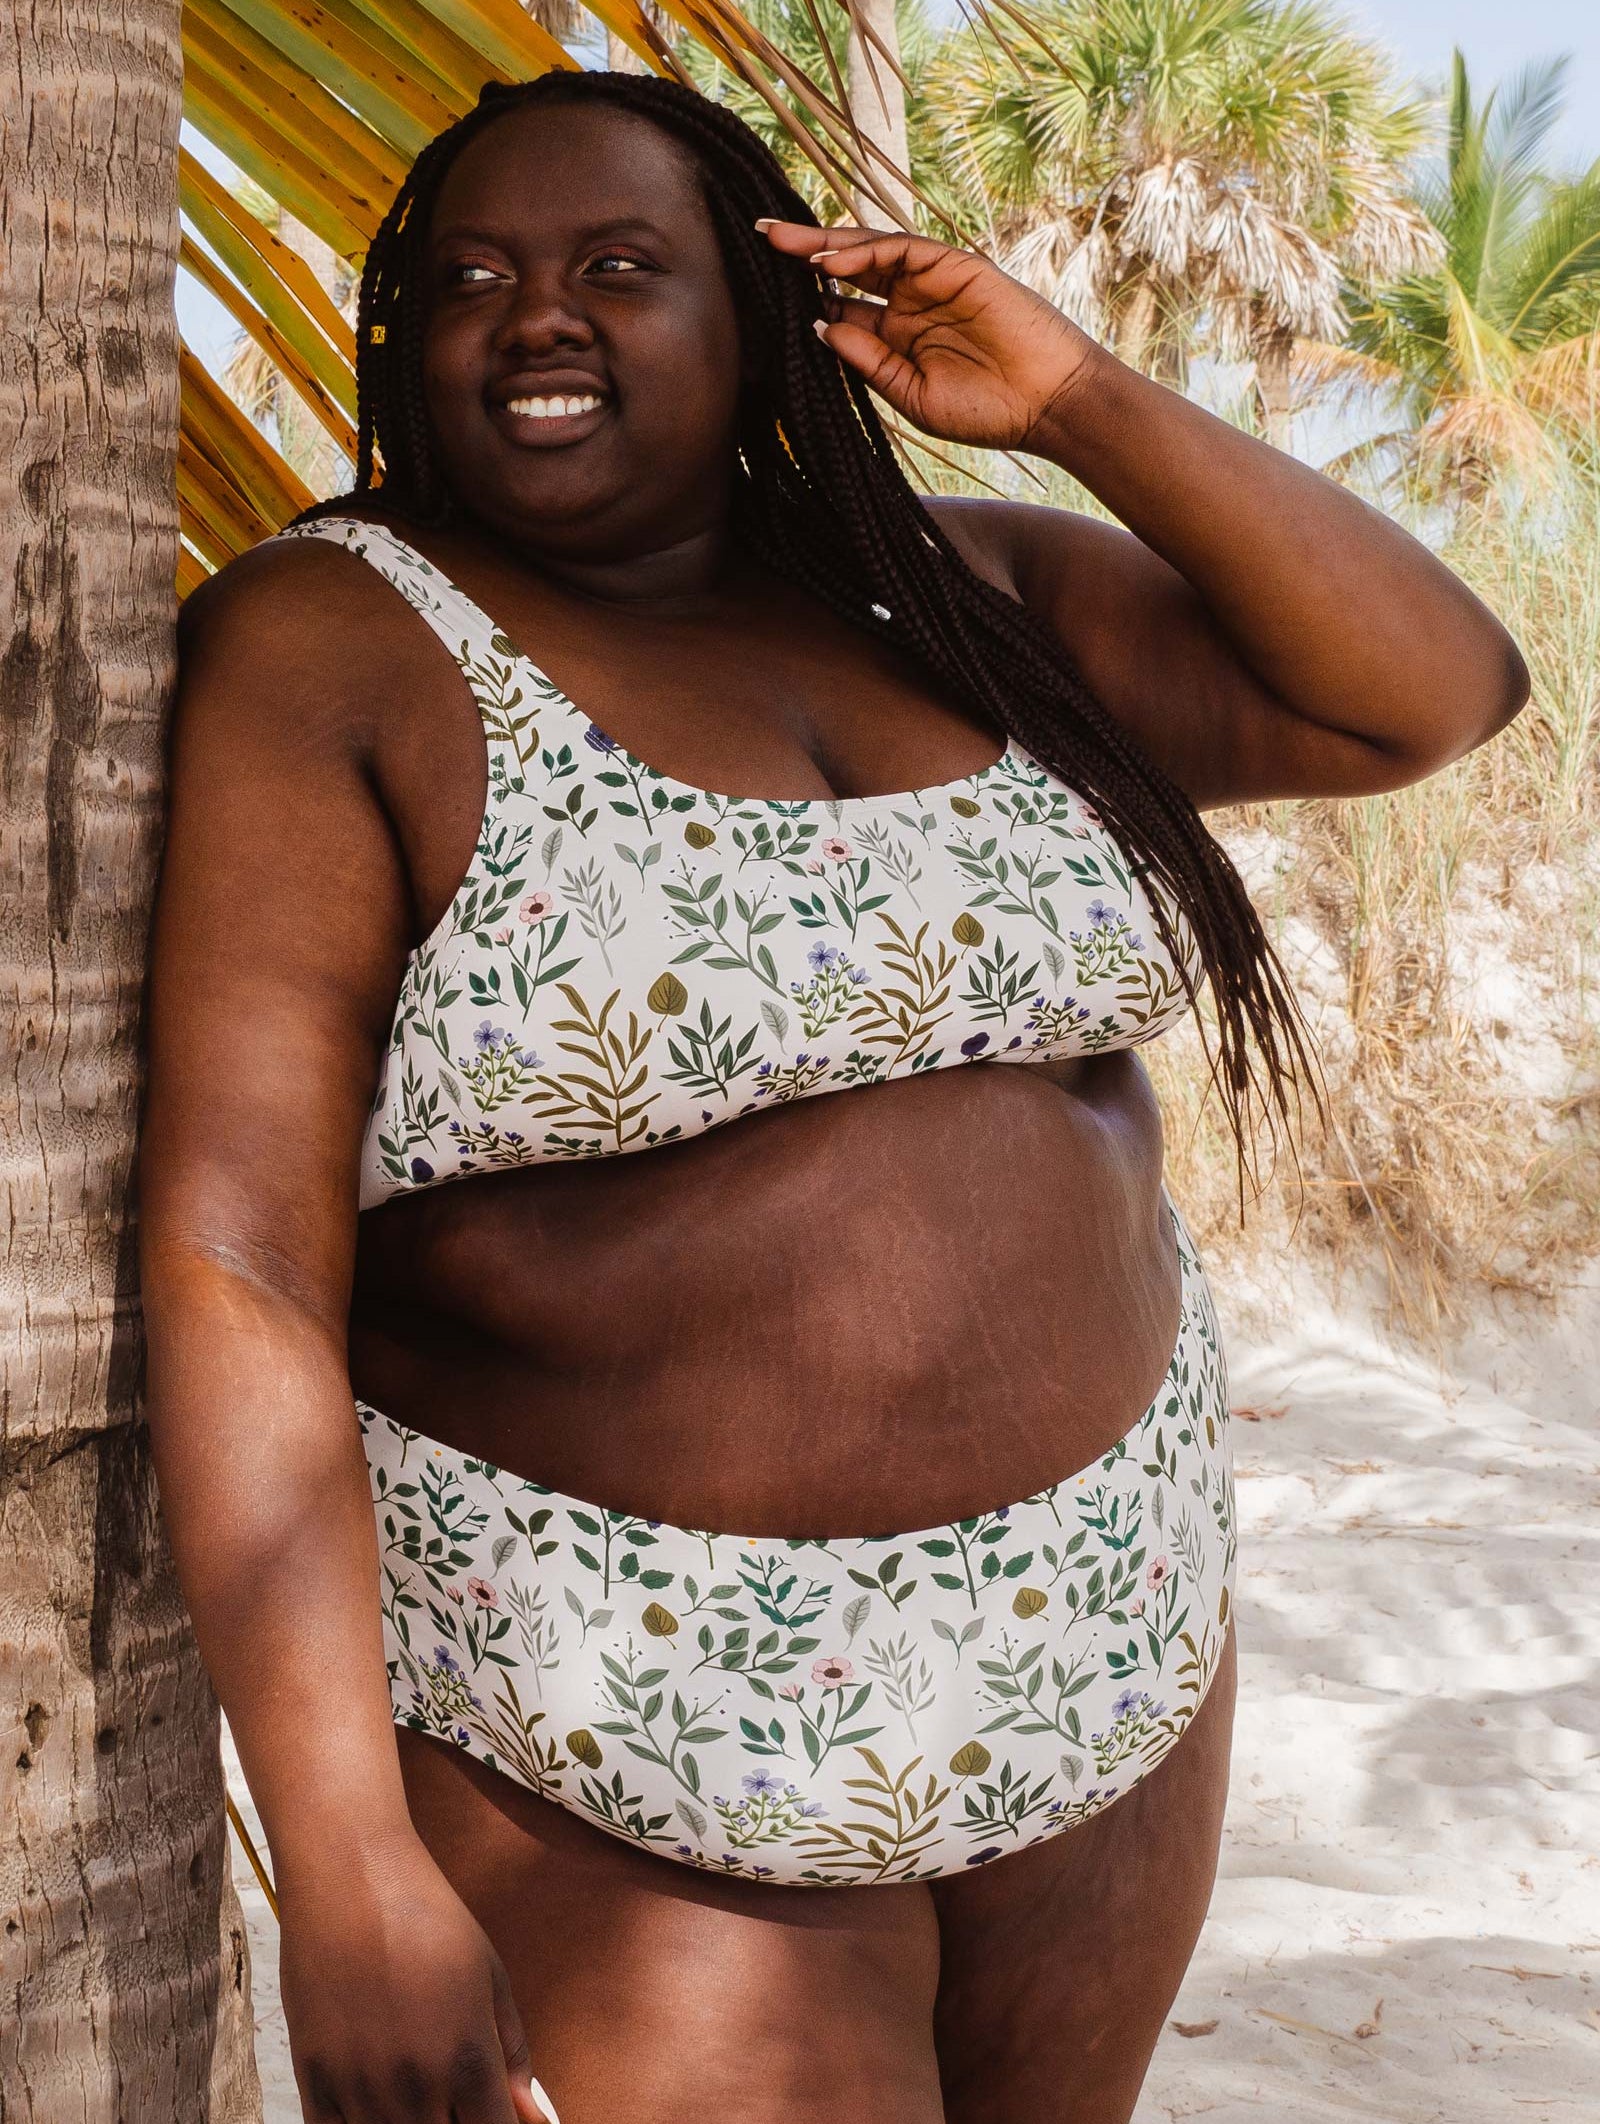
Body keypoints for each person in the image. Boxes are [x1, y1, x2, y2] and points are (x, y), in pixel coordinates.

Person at [139, 69, 1527, 2124]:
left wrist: (1069, 400)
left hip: (1096, 1624)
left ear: (760, 319)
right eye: (470, 281)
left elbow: (1424, 690)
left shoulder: (970, 597)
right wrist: (344, 1867)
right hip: (615, 1701)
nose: (534, 319)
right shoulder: (334, 648)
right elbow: (242, 1253)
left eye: (621, 268)